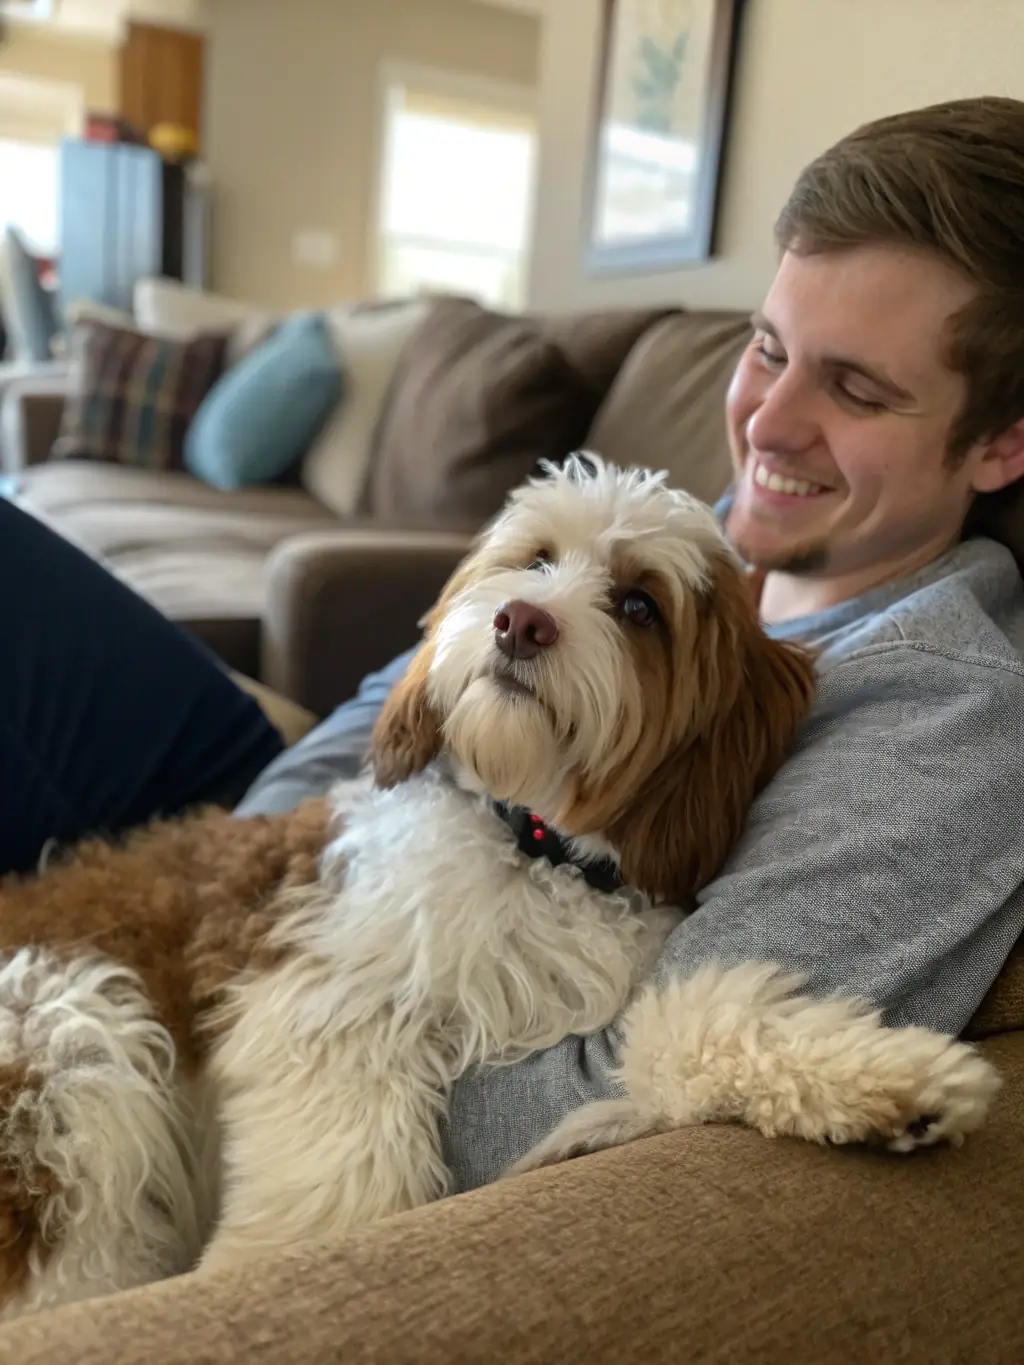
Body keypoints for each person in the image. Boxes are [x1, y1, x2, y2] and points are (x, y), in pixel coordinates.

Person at [5, 97, 1024, 1193]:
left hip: (368, 992)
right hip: (289, 859)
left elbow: (609, 1084)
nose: (769, 424)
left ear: (1001, 443)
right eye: (768, 350)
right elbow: (398, 699)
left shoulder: (937, 711)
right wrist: (223, 897)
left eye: (858, 389)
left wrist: (290, 991)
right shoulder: (731, 523)